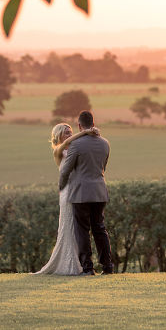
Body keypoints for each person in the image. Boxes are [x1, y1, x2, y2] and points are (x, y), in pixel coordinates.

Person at [35, 122, 100, 275]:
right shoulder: (58, 150)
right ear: (58, 136)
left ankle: (81, 263)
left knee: (77, 227)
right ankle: (69, 263)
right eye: (66, 133)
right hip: (67, 191)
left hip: (79, 190)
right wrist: (86, 132)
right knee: (68, 226)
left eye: (71, 132)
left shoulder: (75, 150)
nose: (70, 135)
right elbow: (65, 144)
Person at [58, 110, 113, 276]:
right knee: (100, 229)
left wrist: (62, 188)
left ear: (79, 125)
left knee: (82, 230)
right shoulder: (105, 143)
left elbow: (65, 170)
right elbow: (103, 167)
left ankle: (88, 268)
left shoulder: (76, 145)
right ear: (93, 125)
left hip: (80, 192)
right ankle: (107, 266)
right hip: (99, 191)